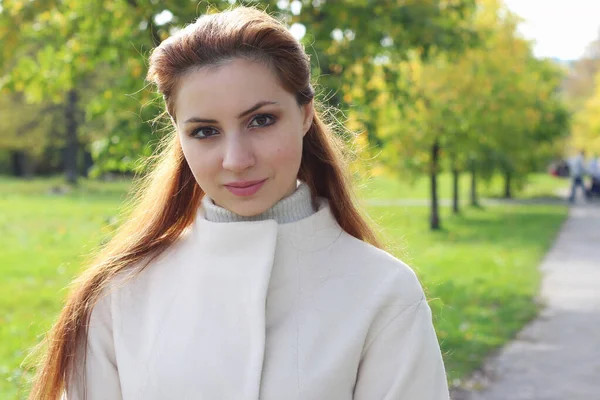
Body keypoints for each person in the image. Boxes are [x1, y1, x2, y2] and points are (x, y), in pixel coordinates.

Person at [28, 7, 448, 400]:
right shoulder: (119, 294)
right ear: (178, 134)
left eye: (261, 120)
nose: (237, 160)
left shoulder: (383, 292)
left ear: (304, 115)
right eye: (205, 131)